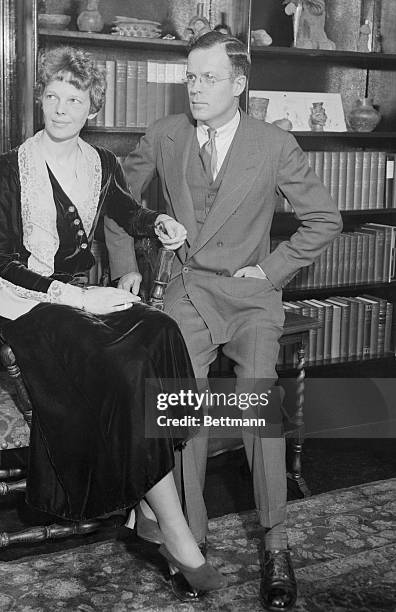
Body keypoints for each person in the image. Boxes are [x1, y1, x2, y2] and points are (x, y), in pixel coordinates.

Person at [106, 31, 342, 610]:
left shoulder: (275, 143)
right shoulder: (166, 135)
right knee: (183, 413)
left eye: (208, 77)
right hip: (186, 290)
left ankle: (277, 546)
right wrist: (123, 270)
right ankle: (193, 541)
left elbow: (324, 218)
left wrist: (270, 271)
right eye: (190, 76)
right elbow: (114, 202)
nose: (196, 88)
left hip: (251, 296)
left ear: (238, 83)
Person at [0, 46, 226, 599]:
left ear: (92, 107)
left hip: (83, 300)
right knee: (122, 366)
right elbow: (1, 263)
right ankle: (177, 535)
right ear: (39, 100)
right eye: (52, 97)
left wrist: (158, 220)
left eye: (75, 100)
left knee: (162, 334)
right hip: (30, 306)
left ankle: (146, 509)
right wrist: (80, 298)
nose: (61, 109)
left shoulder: (100, 162)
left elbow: (123, 209)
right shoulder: (10, 167)